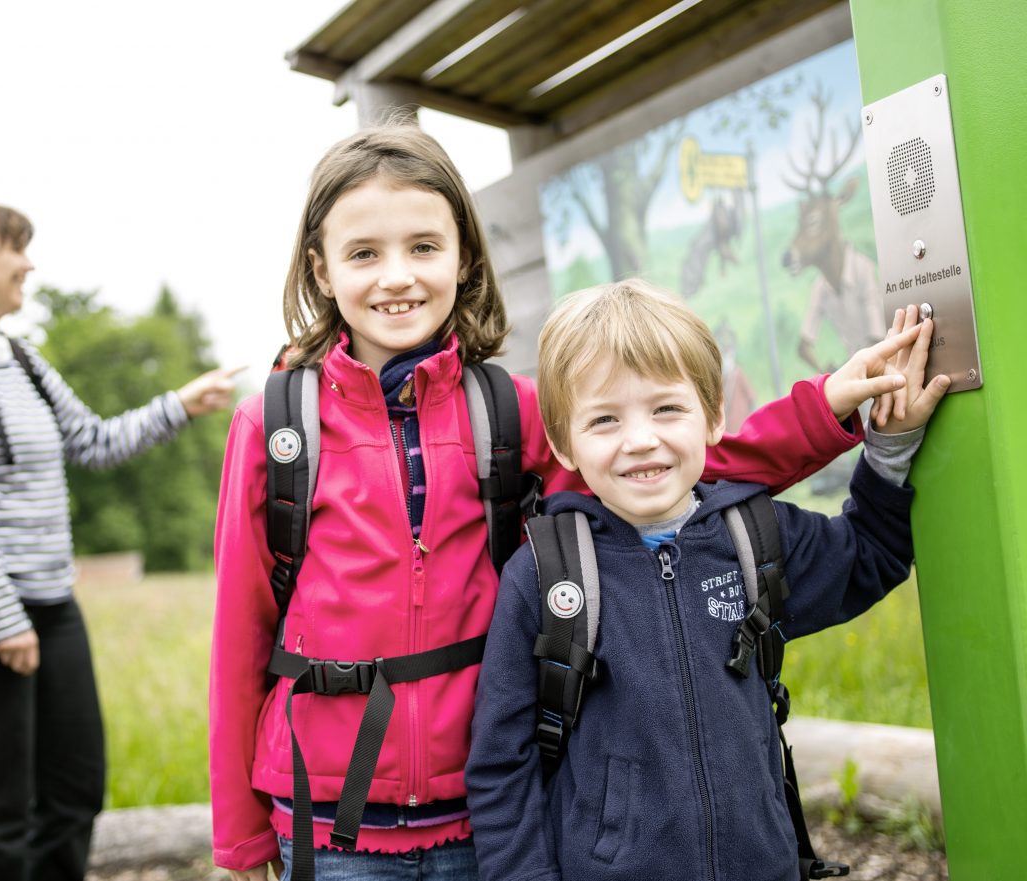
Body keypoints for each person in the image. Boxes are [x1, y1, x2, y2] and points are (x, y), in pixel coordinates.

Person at [208, 121, 899, 881]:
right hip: (330, 823)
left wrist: (827, 407)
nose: (396, 276)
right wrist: (240, 837)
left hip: (482, 812)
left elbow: (676, 470)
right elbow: (241, 633)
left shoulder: (511, 413)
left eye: (423, 247)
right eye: (364, 253)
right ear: (321, 266)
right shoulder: (275, 426)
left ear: (464, 254)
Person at [464, 281, 948, 881]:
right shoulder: (543, 575)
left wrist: (891, 446)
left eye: (666, 408)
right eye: (605, 419)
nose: (641, 440)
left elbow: (872, 554)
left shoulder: (755, 536)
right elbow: (499, 768)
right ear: (565, 444)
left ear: (714, 416)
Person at [0, 199, 239, 881]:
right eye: (15, 247)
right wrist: (4, 619)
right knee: (1, 813)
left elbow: (93, 439)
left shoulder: (22, 357)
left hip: (54, 605)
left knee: (76, 788)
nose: (28, 262)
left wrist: (180, 403)